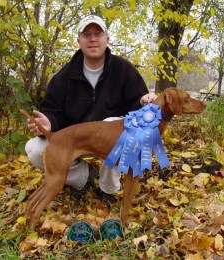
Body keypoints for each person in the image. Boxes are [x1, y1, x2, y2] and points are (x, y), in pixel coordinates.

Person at [25, 14, 157, 204]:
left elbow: (137, 105)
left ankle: (108, 189)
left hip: (109, 141)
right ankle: (84, 178)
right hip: (75, 141)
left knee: (113, 125)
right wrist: (49, 122)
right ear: (78, 40)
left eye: (98, 33)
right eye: (86, 34)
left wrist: (143, 101)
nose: (93, 39)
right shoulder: (64, 76)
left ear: (107, 39)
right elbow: (52, 111)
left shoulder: (124, 70)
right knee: (35, 150)